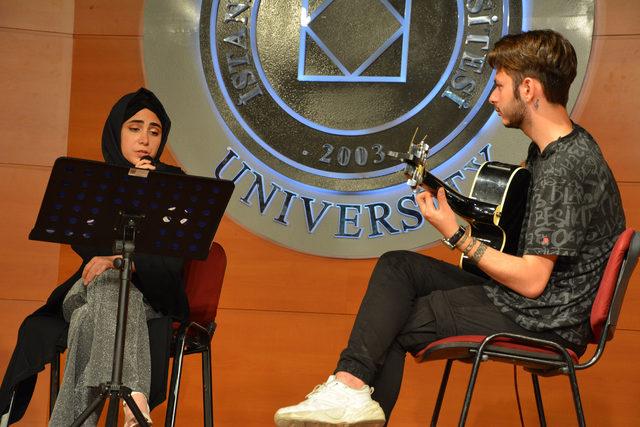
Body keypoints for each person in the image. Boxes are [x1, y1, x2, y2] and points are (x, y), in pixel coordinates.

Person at [274, 29, 626, 427]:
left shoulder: (563, 167)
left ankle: (349, 393)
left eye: (499, 86)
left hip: (545, 318)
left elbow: (532, 280)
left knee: (395, 321)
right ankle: (349, 388)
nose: (492, 98)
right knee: (398, 266)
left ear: (528, 89)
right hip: (534, 304)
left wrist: (456, 235)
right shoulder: (553, 151)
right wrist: (449, 203)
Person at [0, 88, 189, 426]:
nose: (145, 138)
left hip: (150, 295)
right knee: (106, 284)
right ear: (117, 131)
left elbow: (172, 260)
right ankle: (135, 400)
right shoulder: (97, 185)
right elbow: (88, 246)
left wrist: (116, 259)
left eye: (154, 131)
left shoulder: (175, 186)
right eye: (135, 128)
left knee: (93, 316)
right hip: (86, 287)